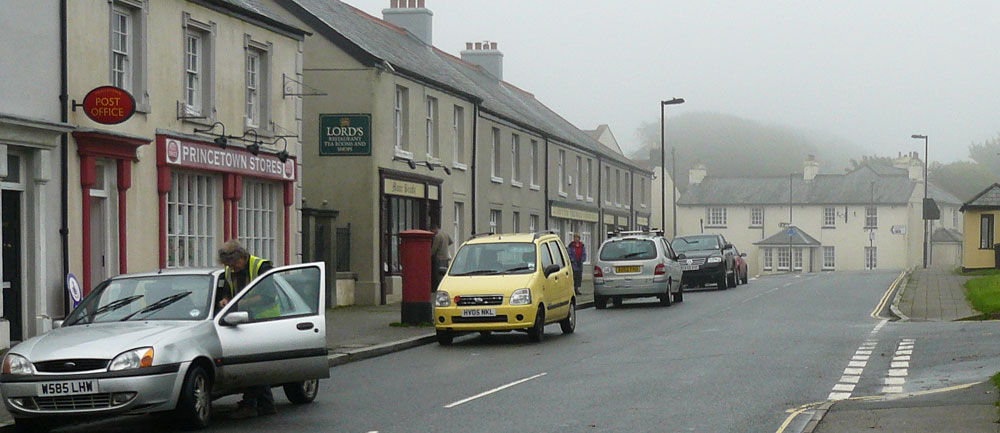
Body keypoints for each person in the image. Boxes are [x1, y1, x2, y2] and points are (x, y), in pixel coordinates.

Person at [217, 240, 277, 419]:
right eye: (229, 266)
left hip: (265, 320)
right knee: (250, 363)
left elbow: (268, 296)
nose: (232, 269)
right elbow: (227, 291)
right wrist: (225, 299)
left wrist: (240, 302)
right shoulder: (229, 270)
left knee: (255, 364)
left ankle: (255, 403)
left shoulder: (261, 267)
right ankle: (261, 403)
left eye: (234, 264)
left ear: (242, 257)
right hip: (242, 321)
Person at [430, 222, 453, 291]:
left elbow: (434, 248)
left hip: (439, 258)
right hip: (446, 257)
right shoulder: (445, 234)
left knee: (438, 275)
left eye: (432, 231)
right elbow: (451, 242)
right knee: (444, 274)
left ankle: (438, 289)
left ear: (434, 229)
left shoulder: (437, 236)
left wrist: (428, 255)